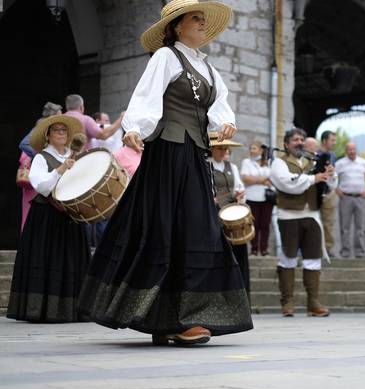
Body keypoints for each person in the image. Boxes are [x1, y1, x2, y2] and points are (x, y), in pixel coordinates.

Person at [77, 0, 252, 346]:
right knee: (167, 229)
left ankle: (178, 315)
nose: (202, 24)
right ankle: (171, 319)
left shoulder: (208, 68)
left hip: (194, 156)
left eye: (204, 19)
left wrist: (226, 122)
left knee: (197, 228)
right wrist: (134, 129)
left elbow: (219, 105)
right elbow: (145, 98)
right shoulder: (166, 57)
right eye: (195, 19)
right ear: (176, 27)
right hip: (169, 153)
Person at [7, 115, 90, 322]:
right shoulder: (40, 158)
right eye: (57, 131)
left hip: (70, 216)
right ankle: (43, 310)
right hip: (48, 217)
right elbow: (41, 186)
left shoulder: (74, 155)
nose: (61, 133)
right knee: (48, 259)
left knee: (71, 261)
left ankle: (73, 309)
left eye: (64, 130)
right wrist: (61, 169)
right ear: (48, 136)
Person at [270, 128, 334, 317]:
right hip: (289, 215)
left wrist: (330, 174)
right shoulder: (278, 164)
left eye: (301, 139)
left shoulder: (312, 162)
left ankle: (313, 303)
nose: (299, 142)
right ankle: (287, 302)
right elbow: (287, 183)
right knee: (288, 258)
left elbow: (330, 185)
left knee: (313, 258)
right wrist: (314, 178)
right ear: (286, 144)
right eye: (295, 140)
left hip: (312, 215)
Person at [208, 134, 250, 295]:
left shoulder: (232, 167)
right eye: (220, 148)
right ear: (211, 149)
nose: (224, 151)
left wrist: (240, 195)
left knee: (238, 251)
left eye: (226, 148)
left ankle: (240, 290)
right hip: (215, 215)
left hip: (232, 214)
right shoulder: (206, 165)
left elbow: (238, 186)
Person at [334, 142, 365, 258]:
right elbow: (332, 177)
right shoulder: (340, 164)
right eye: (349, 149)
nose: (352, 151)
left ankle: (359, 252)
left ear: (356, 150)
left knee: (360, 228)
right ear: (346, 151)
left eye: (354, 149)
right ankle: (345, 252)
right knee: (345, 227)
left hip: (361, 198)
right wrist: (336, 189)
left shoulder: (364, 163)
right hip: (346, 198)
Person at [241, 140, 274, 256]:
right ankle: (254, 248)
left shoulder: (268, 163)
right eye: (250, 148)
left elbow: (273, 179)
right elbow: (246, 178)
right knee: (254, 224)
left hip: (266, 198)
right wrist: (263, 180)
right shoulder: (247, 162)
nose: (251, 151)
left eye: (254, 148)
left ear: (261, 150)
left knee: (265, 224)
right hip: (252, 197)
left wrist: (256, 180)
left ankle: (264, 248)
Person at [319, 130, 338, 256]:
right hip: (315, 192)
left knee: (329, 223)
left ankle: (328, 250)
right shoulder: (316, 154)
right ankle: (317, 250)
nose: (334, 143)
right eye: (332, 140)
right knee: (316, 223)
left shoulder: (332, 155)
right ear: (324, 141)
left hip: (329, 192)